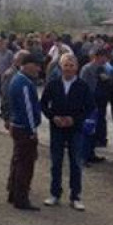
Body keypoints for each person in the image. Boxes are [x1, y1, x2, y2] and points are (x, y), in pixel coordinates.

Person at [40, 53, 94, 210]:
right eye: (65, 65)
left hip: (75, 129)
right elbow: (43, 104)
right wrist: (52, 117)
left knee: (75, 162)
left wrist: (75, 119)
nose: (68, 68)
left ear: (76, 68)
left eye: (71, 65)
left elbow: (90, 107)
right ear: (60, 67)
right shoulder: (53, 84)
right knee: (56, 162)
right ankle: (55, 193)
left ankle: (75, 196)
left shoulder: (83, 86)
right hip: (57, 128)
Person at [7, 52, 44, 211]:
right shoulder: (24, 83)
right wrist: (33, 130)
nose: (38, 69)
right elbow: (28, 108)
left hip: (17, 125)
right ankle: (21, 198)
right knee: (25, 164)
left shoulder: (17, 79)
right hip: (24, 128)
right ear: (28, 65)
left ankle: (13, 192)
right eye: (36, 65)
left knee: (17, 161)